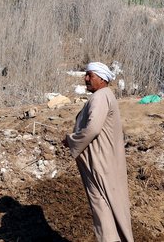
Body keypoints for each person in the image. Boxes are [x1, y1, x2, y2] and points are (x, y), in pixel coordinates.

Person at [63, 62, 133, 242]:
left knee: (102, 208)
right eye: (86, 74)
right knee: (111, 207)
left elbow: (93, 128)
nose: (85, 78)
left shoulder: (100, 96)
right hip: (106, 162)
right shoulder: (105, 95)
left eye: (90, 75)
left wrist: (71, 140)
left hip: (100, 163)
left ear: (102, 78)